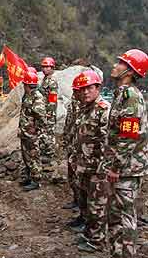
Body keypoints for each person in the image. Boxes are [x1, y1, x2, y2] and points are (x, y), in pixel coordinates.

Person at [100, 49, 148, 258]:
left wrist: (115, 168)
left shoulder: (131, 98)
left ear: (129, 71)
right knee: (114, 214)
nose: (115, 65)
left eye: (120, 63)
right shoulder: (121, 94)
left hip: (127, 169)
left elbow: (129, 137)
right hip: (120, 167)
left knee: (126, 217)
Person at [69, 70, 110, 253]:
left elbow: (107, 143)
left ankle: (97, 241)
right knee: (85, 202)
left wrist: (102, 171)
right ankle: (89, 233)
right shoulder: (86, 109)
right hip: (84, 166)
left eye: (89, 88)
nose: (85, 92)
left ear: (98, 88)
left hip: (97, 169)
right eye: (82, 89)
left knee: (97, 206)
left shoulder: (103, 110)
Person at [19, 69, 46, 191]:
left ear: (28, 84)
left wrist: (36, 131)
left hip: (32, 134)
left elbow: (41, 116)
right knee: (27, 156)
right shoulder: (28, 95)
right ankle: (29, 177)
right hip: (25, 133)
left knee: (33, 156)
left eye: (24, 84)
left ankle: (36, 180)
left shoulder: (37, 96)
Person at [63, 74, 83, 211]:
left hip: (81, 148)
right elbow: (70, 123)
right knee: (72, 175)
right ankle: (76, 200)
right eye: (74, 90)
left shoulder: (85, 105)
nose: (75, 93)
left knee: (79, 179)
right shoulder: (73, 102)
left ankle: (81, 205)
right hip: (72, 143)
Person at [39, 57, 58, 164]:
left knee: (49, 132)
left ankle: (49, 154)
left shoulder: (52, 81)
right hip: (44, 109)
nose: (45, 69)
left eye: (47, 67)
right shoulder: (45, 80)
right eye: (44, 67)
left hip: (49, 111)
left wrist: (49, 113)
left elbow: (52, 98)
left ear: (52, 68)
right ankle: (44, 151)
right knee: (44, 131)